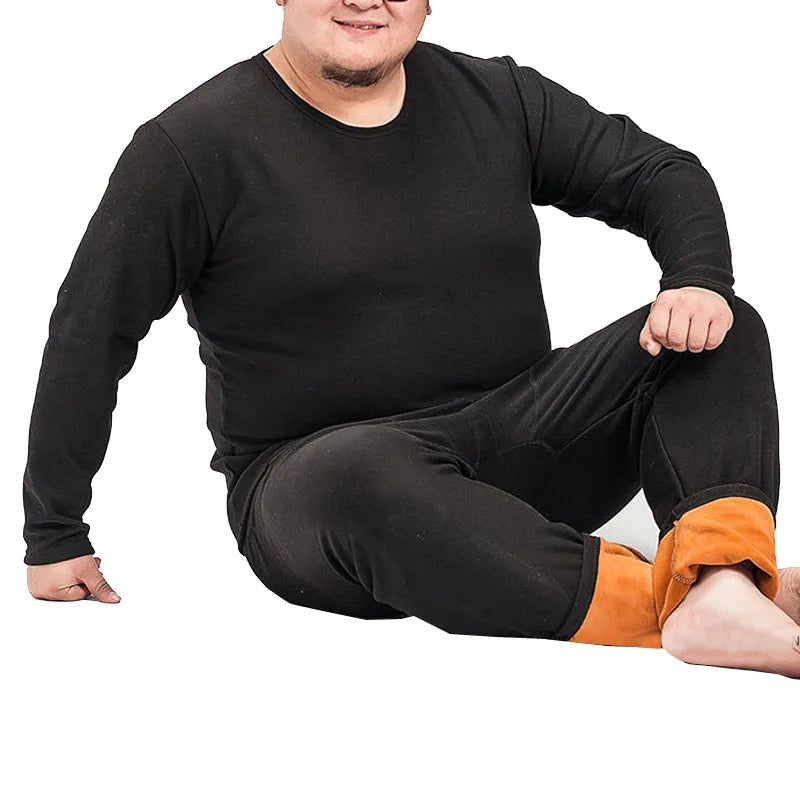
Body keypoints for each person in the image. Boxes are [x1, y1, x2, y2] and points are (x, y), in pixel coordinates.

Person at [23, 0, 800, 678]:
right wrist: (54, 533)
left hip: (523, 450)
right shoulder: (192, 147)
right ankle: (677, 602)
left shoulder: (497, 95)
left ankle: (723, 577)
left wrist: (697, 278)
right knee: (360, 471)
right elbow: (92, 328)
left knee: (717, 326)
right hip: (324, 495)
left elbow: (657, 172)